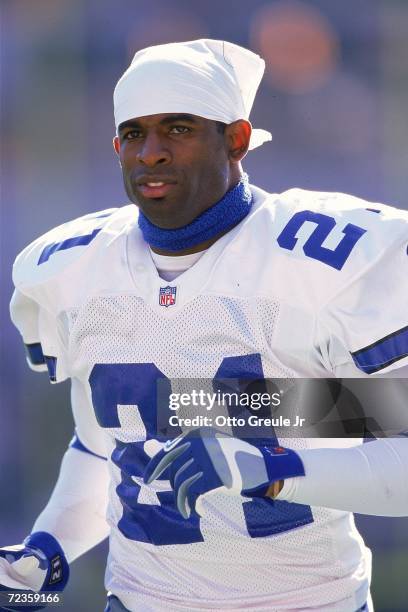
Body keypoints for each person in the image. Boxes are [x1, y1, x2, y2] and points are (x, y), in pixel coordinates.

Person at [2, 38, 408, 612]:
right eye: (135, 134)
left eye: (179, 129)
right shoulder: (73, 269)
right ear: (117, 146)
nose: (152, 154)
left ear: (237, 139)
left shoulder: (327, 258)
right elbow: (105, 445)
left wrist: (276, 467)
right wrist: (51, 542)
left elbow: (397, 434)